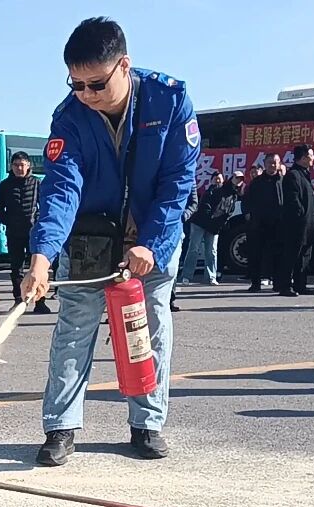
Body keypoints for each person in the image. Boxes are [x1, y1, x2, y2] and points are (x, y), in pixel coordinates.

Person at [21, 17, 198, 464]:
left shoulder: (169, 99)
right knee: (74, 328)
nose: (86, 94)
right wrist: (42, 256)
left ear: (124, 65)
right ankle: (60, 427)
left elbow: (177, 183)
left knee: (149, 327)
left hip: (151, 237)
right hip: (90, 239)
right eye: (76, 84)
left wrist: (151, 244)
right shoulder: (69, 117)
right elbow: (62, 189)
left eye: (96, 84)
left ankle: (147, 424)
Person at [0, 151, 51, 313]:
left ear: (28, 166)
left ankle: (40, 302)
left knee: (37, 268)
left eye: (22, 165)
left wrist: (38, 221)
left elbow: (45, 205)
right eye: (16, 165)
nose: (19, 168)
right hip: (14, 233)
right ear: (11, 167)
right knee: (16, 268)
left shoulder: (36, 183)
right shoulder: (5, 185)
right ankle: (19, 300)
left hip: (34, 232)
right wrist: (8, 221)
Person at [179, 170, 241, 285]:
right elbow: (205, 207)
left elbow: (229, 211)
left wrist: (220, 223)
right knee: (194, 249)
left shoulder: (232, 194)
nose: (217, 181)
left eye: (219, 179)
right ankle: (186, 276)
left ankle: (211, 277)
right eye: (215, 179)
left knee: (212, 251)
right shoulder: (210, 191)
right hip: (200, 223)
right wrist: (212, 219)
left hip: (214, 227)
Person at [276, 144, 314, 297]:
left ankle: (301, 285)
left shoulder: (305, 174)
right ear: (303, 158)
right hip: (297, 225)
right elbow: (293, 201)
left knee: (304, 257)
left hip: (309, 225)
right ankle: (285, 286)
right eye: (311, 155)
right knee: (291, 255)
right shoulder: (293, 175)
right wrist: (301, 217)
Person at [243, 152, 283, 292]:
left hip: (278, 224)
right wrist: (249, 216)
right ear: (265, 164)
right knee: (256, 254)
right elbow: (247, 201)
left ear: (279, 164)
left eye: (275, 162)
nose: (272, 165)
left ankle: (278, 283)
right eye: (269, 162)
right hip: (259, 224)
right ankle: (255, 283)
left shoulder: (283, 181)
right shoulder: (257, 182)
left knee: (278, 254)